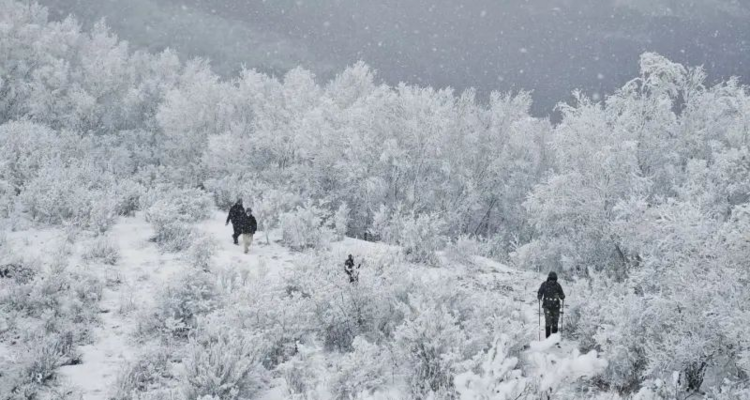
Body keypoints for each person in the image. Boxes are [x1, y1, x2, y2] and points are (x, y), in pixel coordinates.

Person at [537, 271, 566, 338]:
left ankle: (554, 339)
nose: (552, 281)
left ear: (556, 279)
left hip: (556, 307)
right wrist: (539, 296)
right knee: (548, 322)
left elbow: (562, 295)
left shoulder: (558, 286)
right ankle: (547, 338)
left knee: (555, 323)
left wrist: (560, 296)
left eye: (554, 279)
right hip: (547, 306)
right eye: (551, 279)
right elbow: (540, 292)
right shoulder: (544, 284)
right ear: (549, 278)